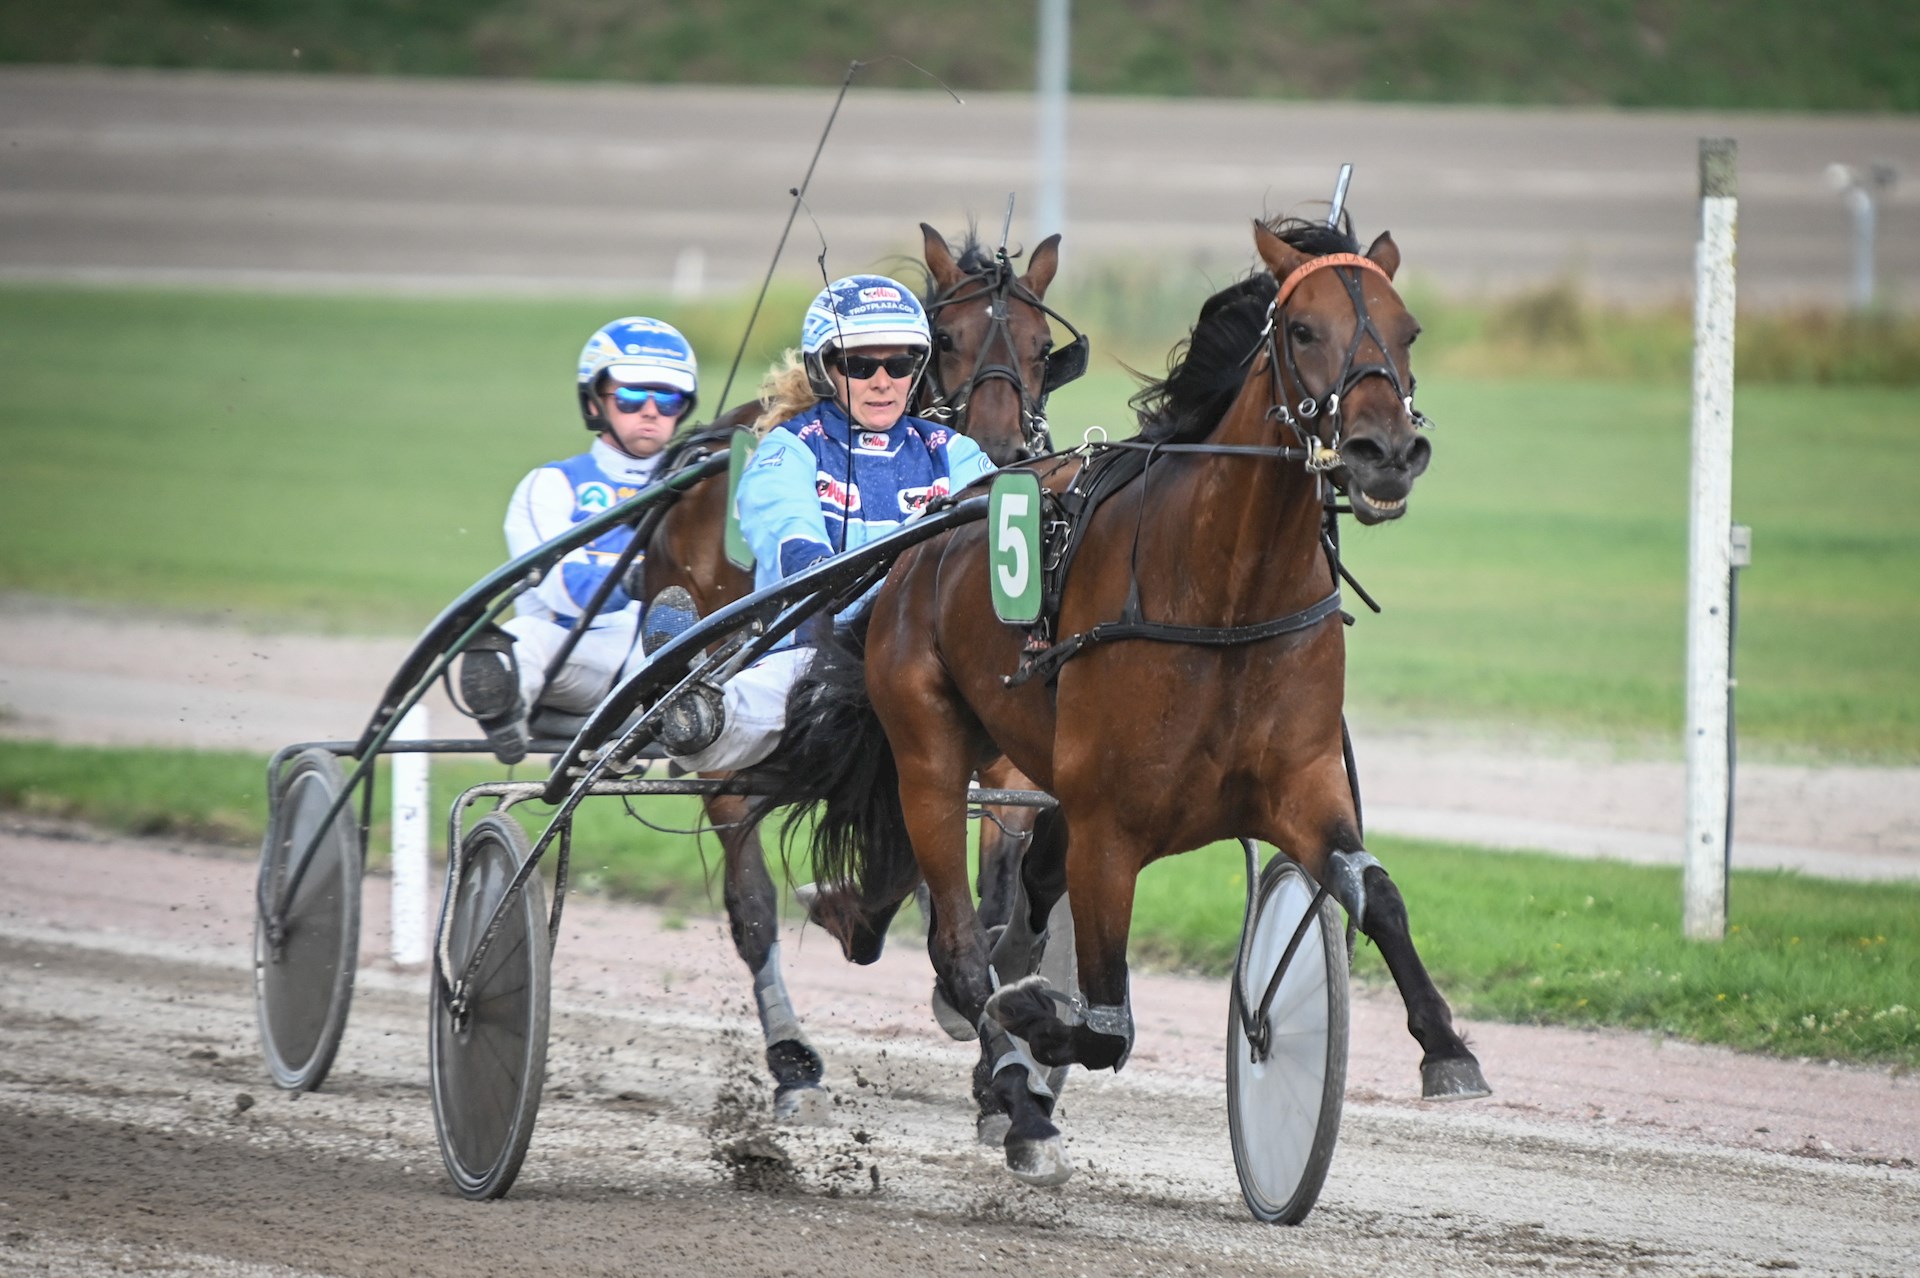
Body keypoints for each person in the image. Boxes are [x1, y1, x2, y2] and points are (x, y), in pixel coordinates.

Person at [652, 274, 994, 771]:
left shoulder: (956, 454)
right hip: (815, 654)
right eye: (860, 365)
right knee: (713, 733)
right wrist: (823, 568)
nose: (883, 381)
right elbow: (788, 533)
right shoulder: (789, 448)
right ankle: (682, 697)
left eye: (899, 364)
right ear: (823, 370)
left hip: (937, 663)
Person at [459, 316, 699, 763]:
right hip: (574, 658)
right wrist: (637, 580)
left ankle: (687, 728)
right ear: (594, 403)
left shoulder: (698, 492)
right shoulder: (550, 485)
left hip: (658, 665)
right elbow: (557, 583)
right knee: (520, 637)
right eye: (631, 396)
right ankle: (504, 704)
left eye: (666, 398)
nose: (650, 410)